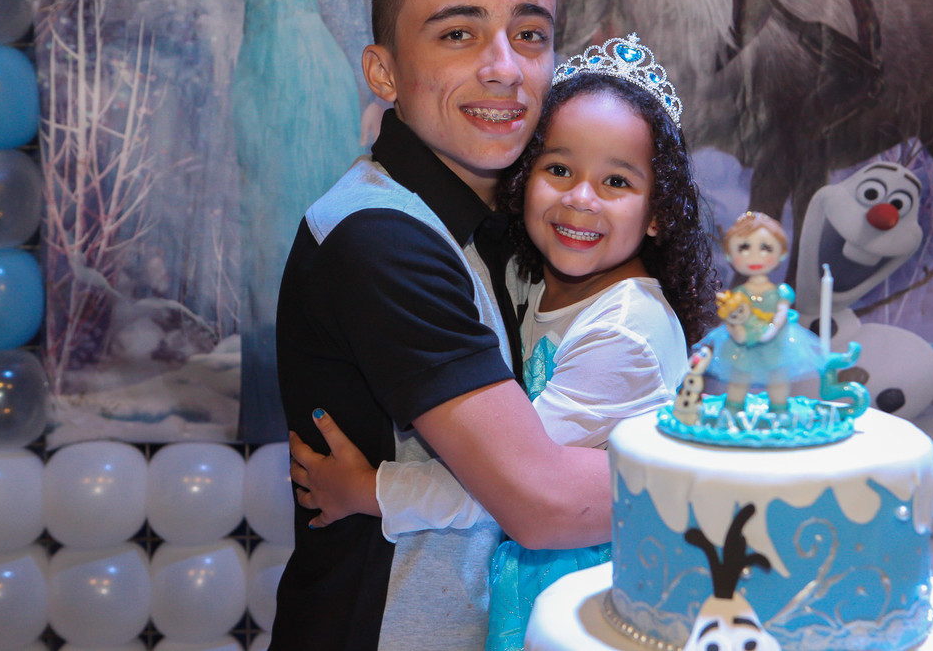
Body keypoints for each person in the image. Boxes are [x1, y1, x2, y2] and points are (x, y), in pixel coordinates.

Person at [270, 0, 624, 650]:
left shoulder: (518, 222)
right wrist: (724, 472)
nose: (504, 68)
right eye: (459, 33)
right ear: (385, 72)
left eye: (529, 34)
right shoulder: (379, 238)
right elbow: (543, 498)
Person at [290, 33, 719, 651]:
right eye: (560, 170)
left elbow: (508, 484)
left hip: (588, 597)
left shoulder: (626, 330)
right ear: (526, 178)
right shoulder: (526, 280)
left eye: (616, 182)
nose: (580, 198)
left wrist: (367, 490)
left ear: (658, 213)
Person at [76, 0, 379, 439]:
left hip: (310, 79)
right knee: (264, 247)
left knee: (312, 243)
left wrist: (381, 96)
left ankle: (330, 417)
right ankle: (272, 412)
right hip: (256, 77)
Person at [698, 211, 827, 412]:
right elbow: (731, 317)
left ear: (782, 253)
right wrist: (737, 332)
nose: (755, 255)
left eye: (766, 248)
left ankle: (779, 410)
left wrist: (770, 330)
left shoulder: (781, 292)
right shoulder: (737, 294)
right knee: (739, 376)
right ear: (730, 255)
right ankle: (733, 409)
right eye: (744, 248)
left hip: (775, 343)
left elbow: (781, 314)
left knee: (778, 377)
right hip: (743, 344)